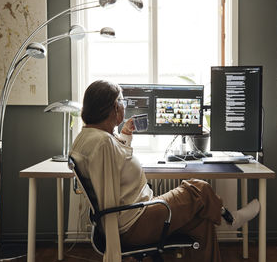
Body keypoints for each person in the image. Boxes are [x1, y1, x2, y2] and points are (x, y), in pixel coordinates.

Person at [69, 80, 260, 262]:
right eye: (122, 101)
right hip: (134, 222)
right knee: (197, 188)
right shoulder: (103, 142)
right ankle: (230, 218)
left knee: (202, 222)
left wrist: (125, 134)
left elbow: (114, 163)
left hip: (136, 214)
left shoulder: (89, 137)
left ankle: (225, 216)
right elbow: (109, 191)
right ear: (113, 107)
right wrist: (115, 246)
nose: (124, 106)